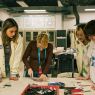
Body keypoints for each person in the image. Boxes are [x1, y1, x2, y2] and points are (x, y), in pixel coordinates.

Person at [82, 20, 95, 89]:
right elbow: (91, 62)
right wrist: (88, 75)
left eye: (92, 35)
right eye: (89, 36)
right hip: (92, 82)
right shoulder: (92, 44)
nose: (90, 38)